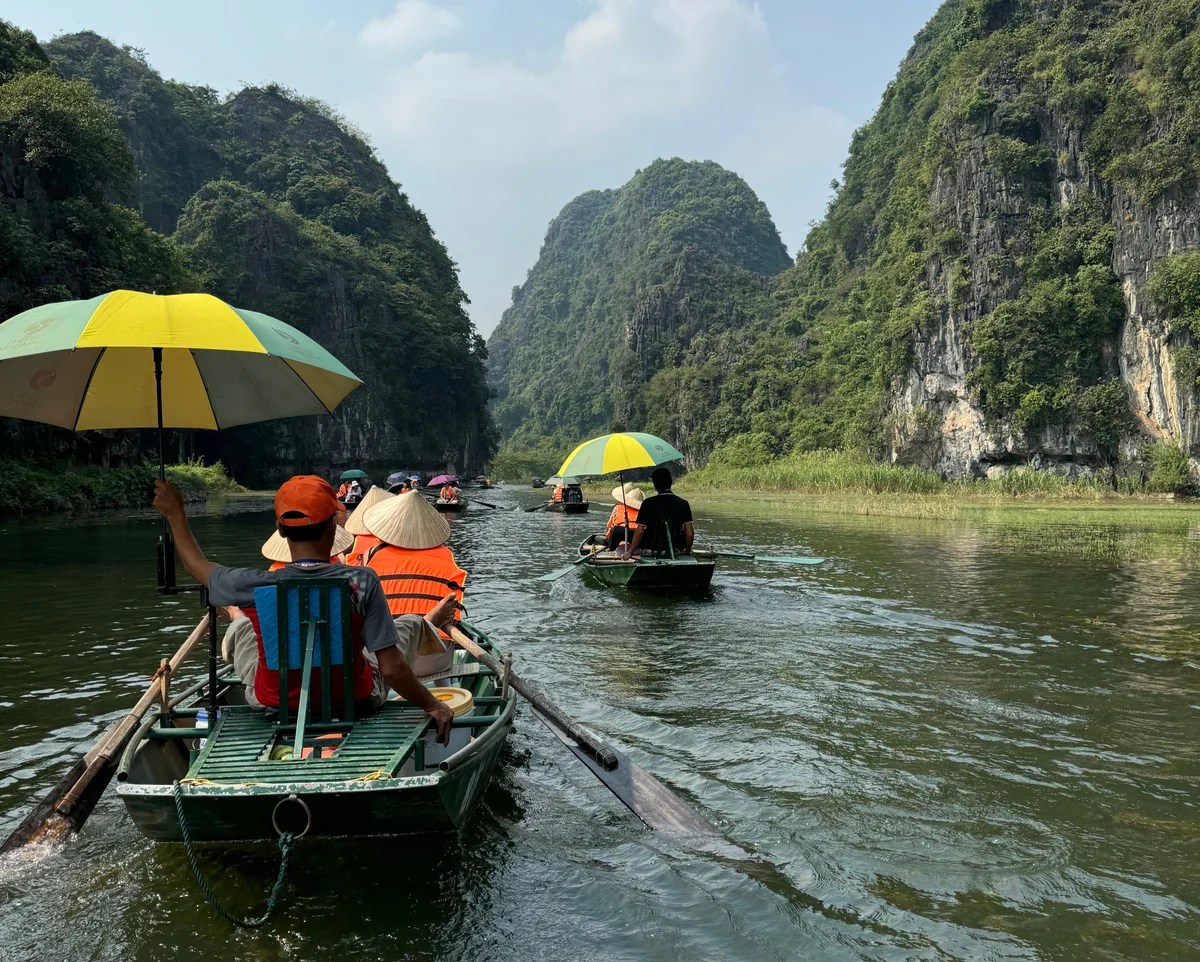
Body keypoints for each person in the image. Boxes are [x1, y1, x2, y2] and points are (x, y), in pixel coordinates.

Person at [153, 475, 454, 744]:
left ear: (280, 530)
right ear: (334, 527)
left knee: (242, 625)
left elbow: (196, 565)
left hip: (272, 702)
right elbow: (392, 669)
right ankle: (424, 623)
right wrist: (432, 705)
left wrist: (176, 514)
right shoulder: (362, 581)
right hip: (357, 699)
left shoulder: (256, 585)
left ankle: (234, 615)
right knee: (408, 624)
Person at [360, 489, 468, 676]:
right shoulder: (446, 555)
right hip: (435, 661)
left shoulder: (370, 554)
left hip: (384, 660)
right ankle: (443, 690)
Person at [621, 467, 693, 559]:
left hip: (649, 551)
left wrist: (630, 552)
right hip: (673, 551)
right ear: (671, 483)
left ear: (655, 485)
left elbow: (640, 532)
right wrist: (687, 551)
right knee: (682, 529)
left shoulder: (647, 503)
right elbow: (689, 533)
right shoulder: (683, 504)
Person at [604, 484, 644, 551]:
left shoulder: (618, 508)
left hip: (620, 543)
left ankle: (610, 548)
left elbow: (608, 525)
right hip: (638, 543)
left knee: (601, 538)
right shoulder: (644, 512)